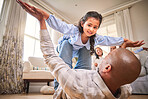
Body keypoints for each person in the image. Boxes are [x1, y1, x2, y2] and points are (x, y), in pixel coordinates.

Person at [16, 0, 145, 90]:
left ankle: (80, 83)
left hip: (80, 50)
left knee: (86, 51)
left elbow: (109, 40)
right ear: (83, 24)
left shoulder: (95, 38)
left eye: (95, 27)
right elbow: (58, 24)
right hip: (66, 46)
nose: (91, 29)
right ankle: (59, 87)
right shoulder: (73, 30)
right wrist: (42, 14)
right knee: (66, 46)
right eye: (89, 25)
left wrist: (127, 41)